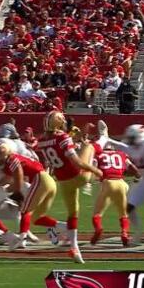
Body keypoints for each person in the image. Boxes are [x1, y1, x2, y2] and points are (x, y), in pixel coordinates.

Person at [37, 112, 103, 263]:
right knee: (89, 146)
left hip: (63, 181)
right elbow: (77, 162)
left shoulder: (41, 141)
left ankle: (74, 248)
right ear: (56, 122)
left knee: (73, 213)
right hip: (79, 176)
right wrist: (95, 171)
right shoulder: (62, 138)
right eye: (60, 118)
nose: (62, 119)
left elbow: (56, 151)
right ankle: (103, 139)